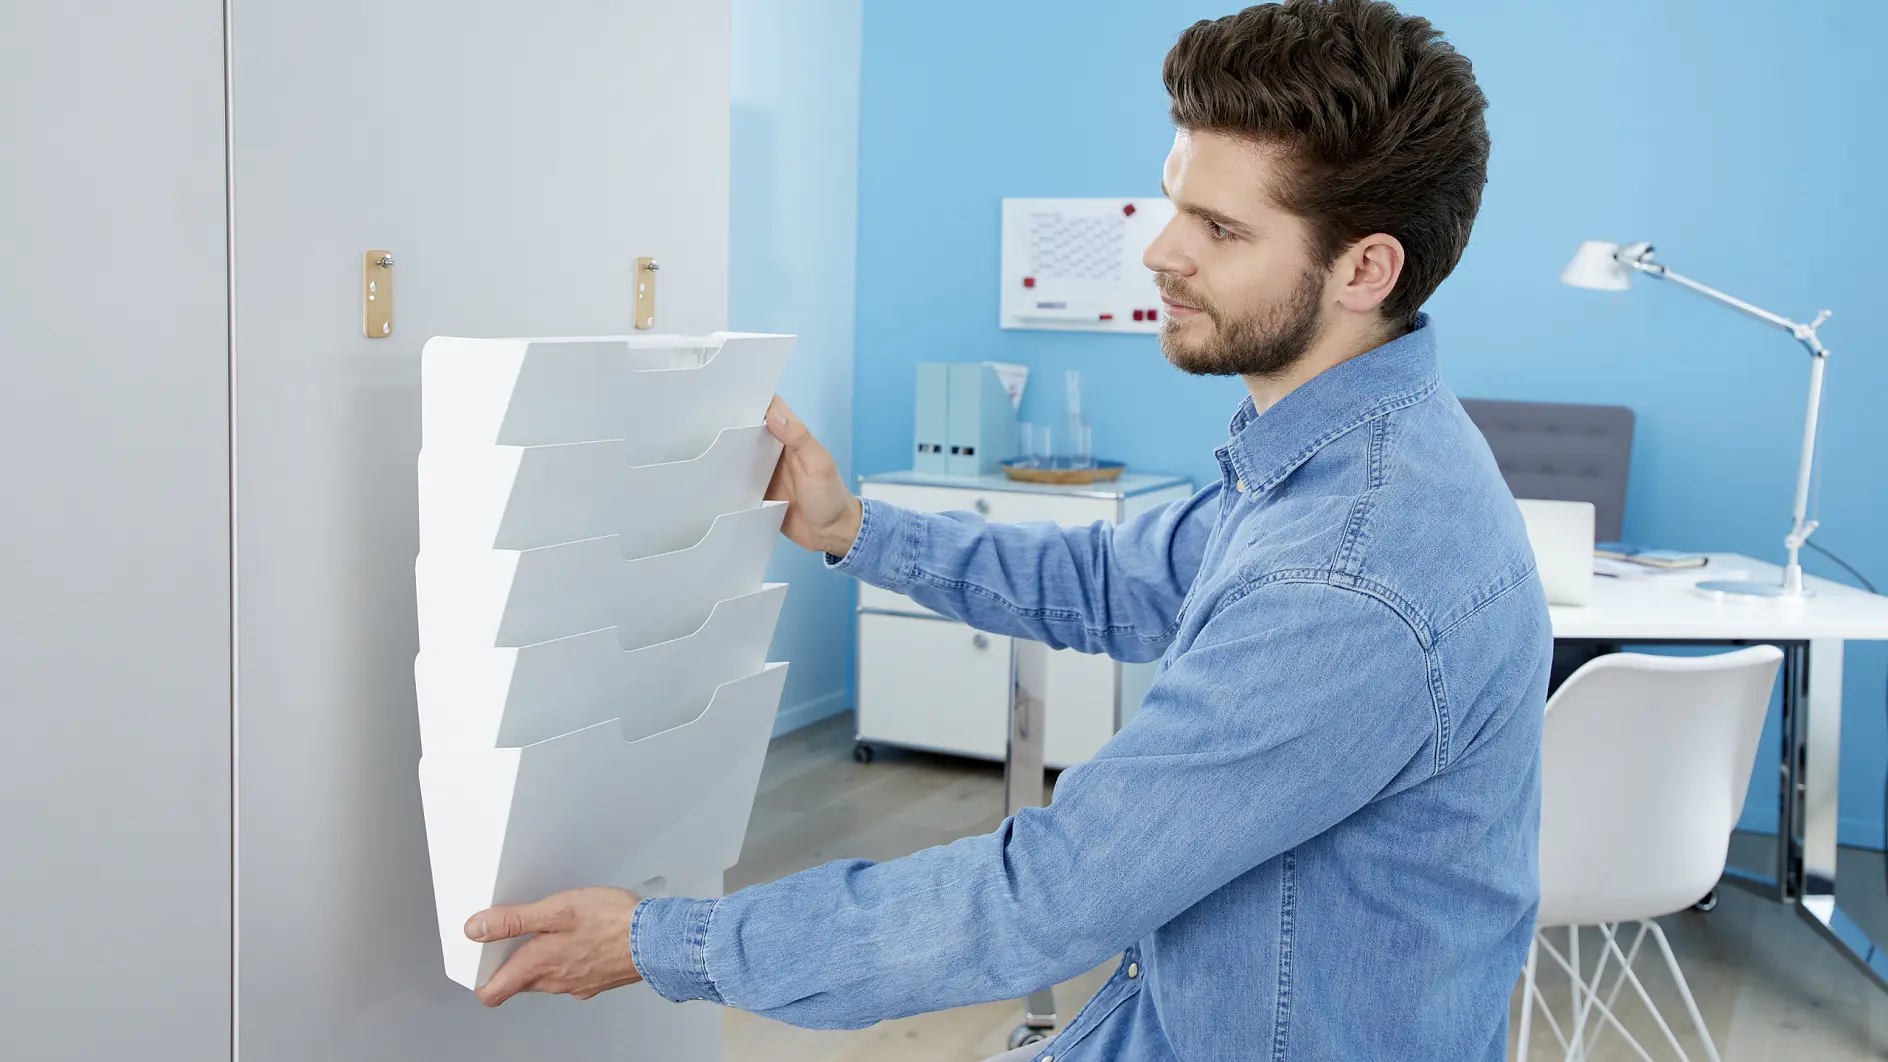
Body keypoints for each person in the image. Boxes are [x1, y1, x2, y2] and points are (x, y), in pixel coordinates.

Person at [461, 2, 1550, 1058]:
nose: (1159, 253)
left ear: (1364, 269)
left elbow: (1048, 897)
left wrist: (663, 943)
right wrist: (852, 527)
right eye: (1171, 201)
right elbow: (1120, 582)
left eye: (1219, 229)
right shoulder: (1344, 457)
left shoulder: (1345, 575)